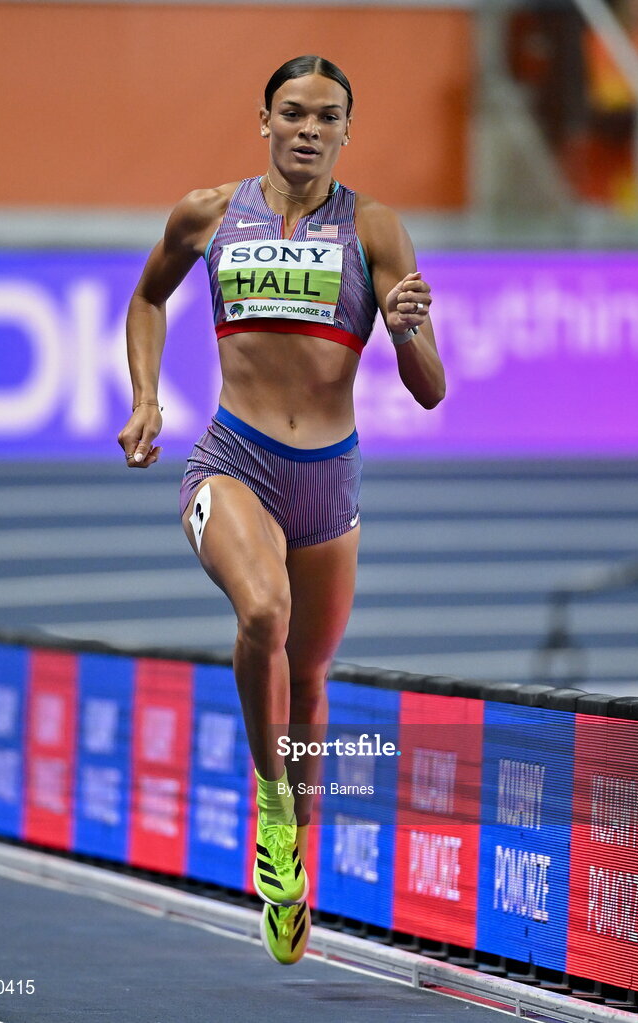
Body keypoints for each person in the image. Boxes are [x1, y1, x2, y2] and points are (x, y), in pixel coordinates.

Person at [117, 55, 445, 966]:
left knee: (308, 680)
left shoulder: (375, 229)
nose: (308, 129)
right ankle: (270, 804)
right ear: (263, 120)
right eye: (292, 112)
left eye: (326, 116)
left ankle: (295, 855)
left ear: (347, 131)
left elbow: (429, 388)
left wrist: (407, 329)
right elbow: (147, 297)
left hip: (329, 482)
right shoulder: (208, 213)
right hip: (233, 461)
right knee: (264, 609)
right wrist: (146, 397)